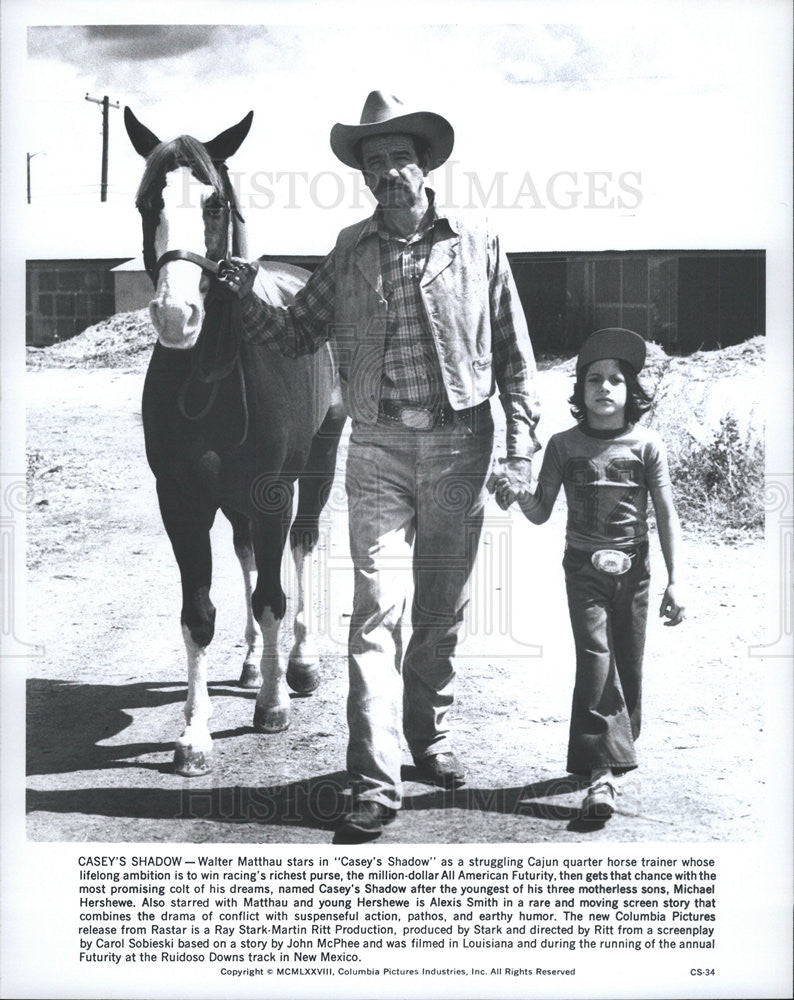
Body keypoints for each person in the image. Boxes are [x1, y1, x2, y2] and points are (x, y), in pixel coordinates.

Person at [222, 91, 540, 841]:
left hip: (462, 444)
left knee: (441, 609)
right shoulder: (348, 250)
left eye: (399, 155)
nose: (387, 170)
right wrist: (245, 297)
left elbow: (517, 359)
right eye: (374, 160)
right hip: (378, 451)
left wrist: (522, 451)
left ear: (425, 163)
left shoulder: (479, 242)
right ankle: (374, 777)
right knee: (375, 612)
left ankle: (426, 736)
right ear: (364, 177)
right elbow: (297, 334)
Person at [490, 328, 685, 820]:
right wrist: (514, 493)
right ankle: (600, 775)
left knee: (629, 664)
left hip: (636, 569)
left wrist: (675, 580)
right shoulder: (562, 445)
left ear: (630, 391)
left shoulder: (648, 445)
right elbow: (540, 512)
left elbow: (666, 515)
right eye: (593, 379)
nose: (604, 387)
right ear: (579, 392)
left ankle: (606, 748)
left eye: (616, 380)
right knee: (597, 658)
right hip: (584, 571)